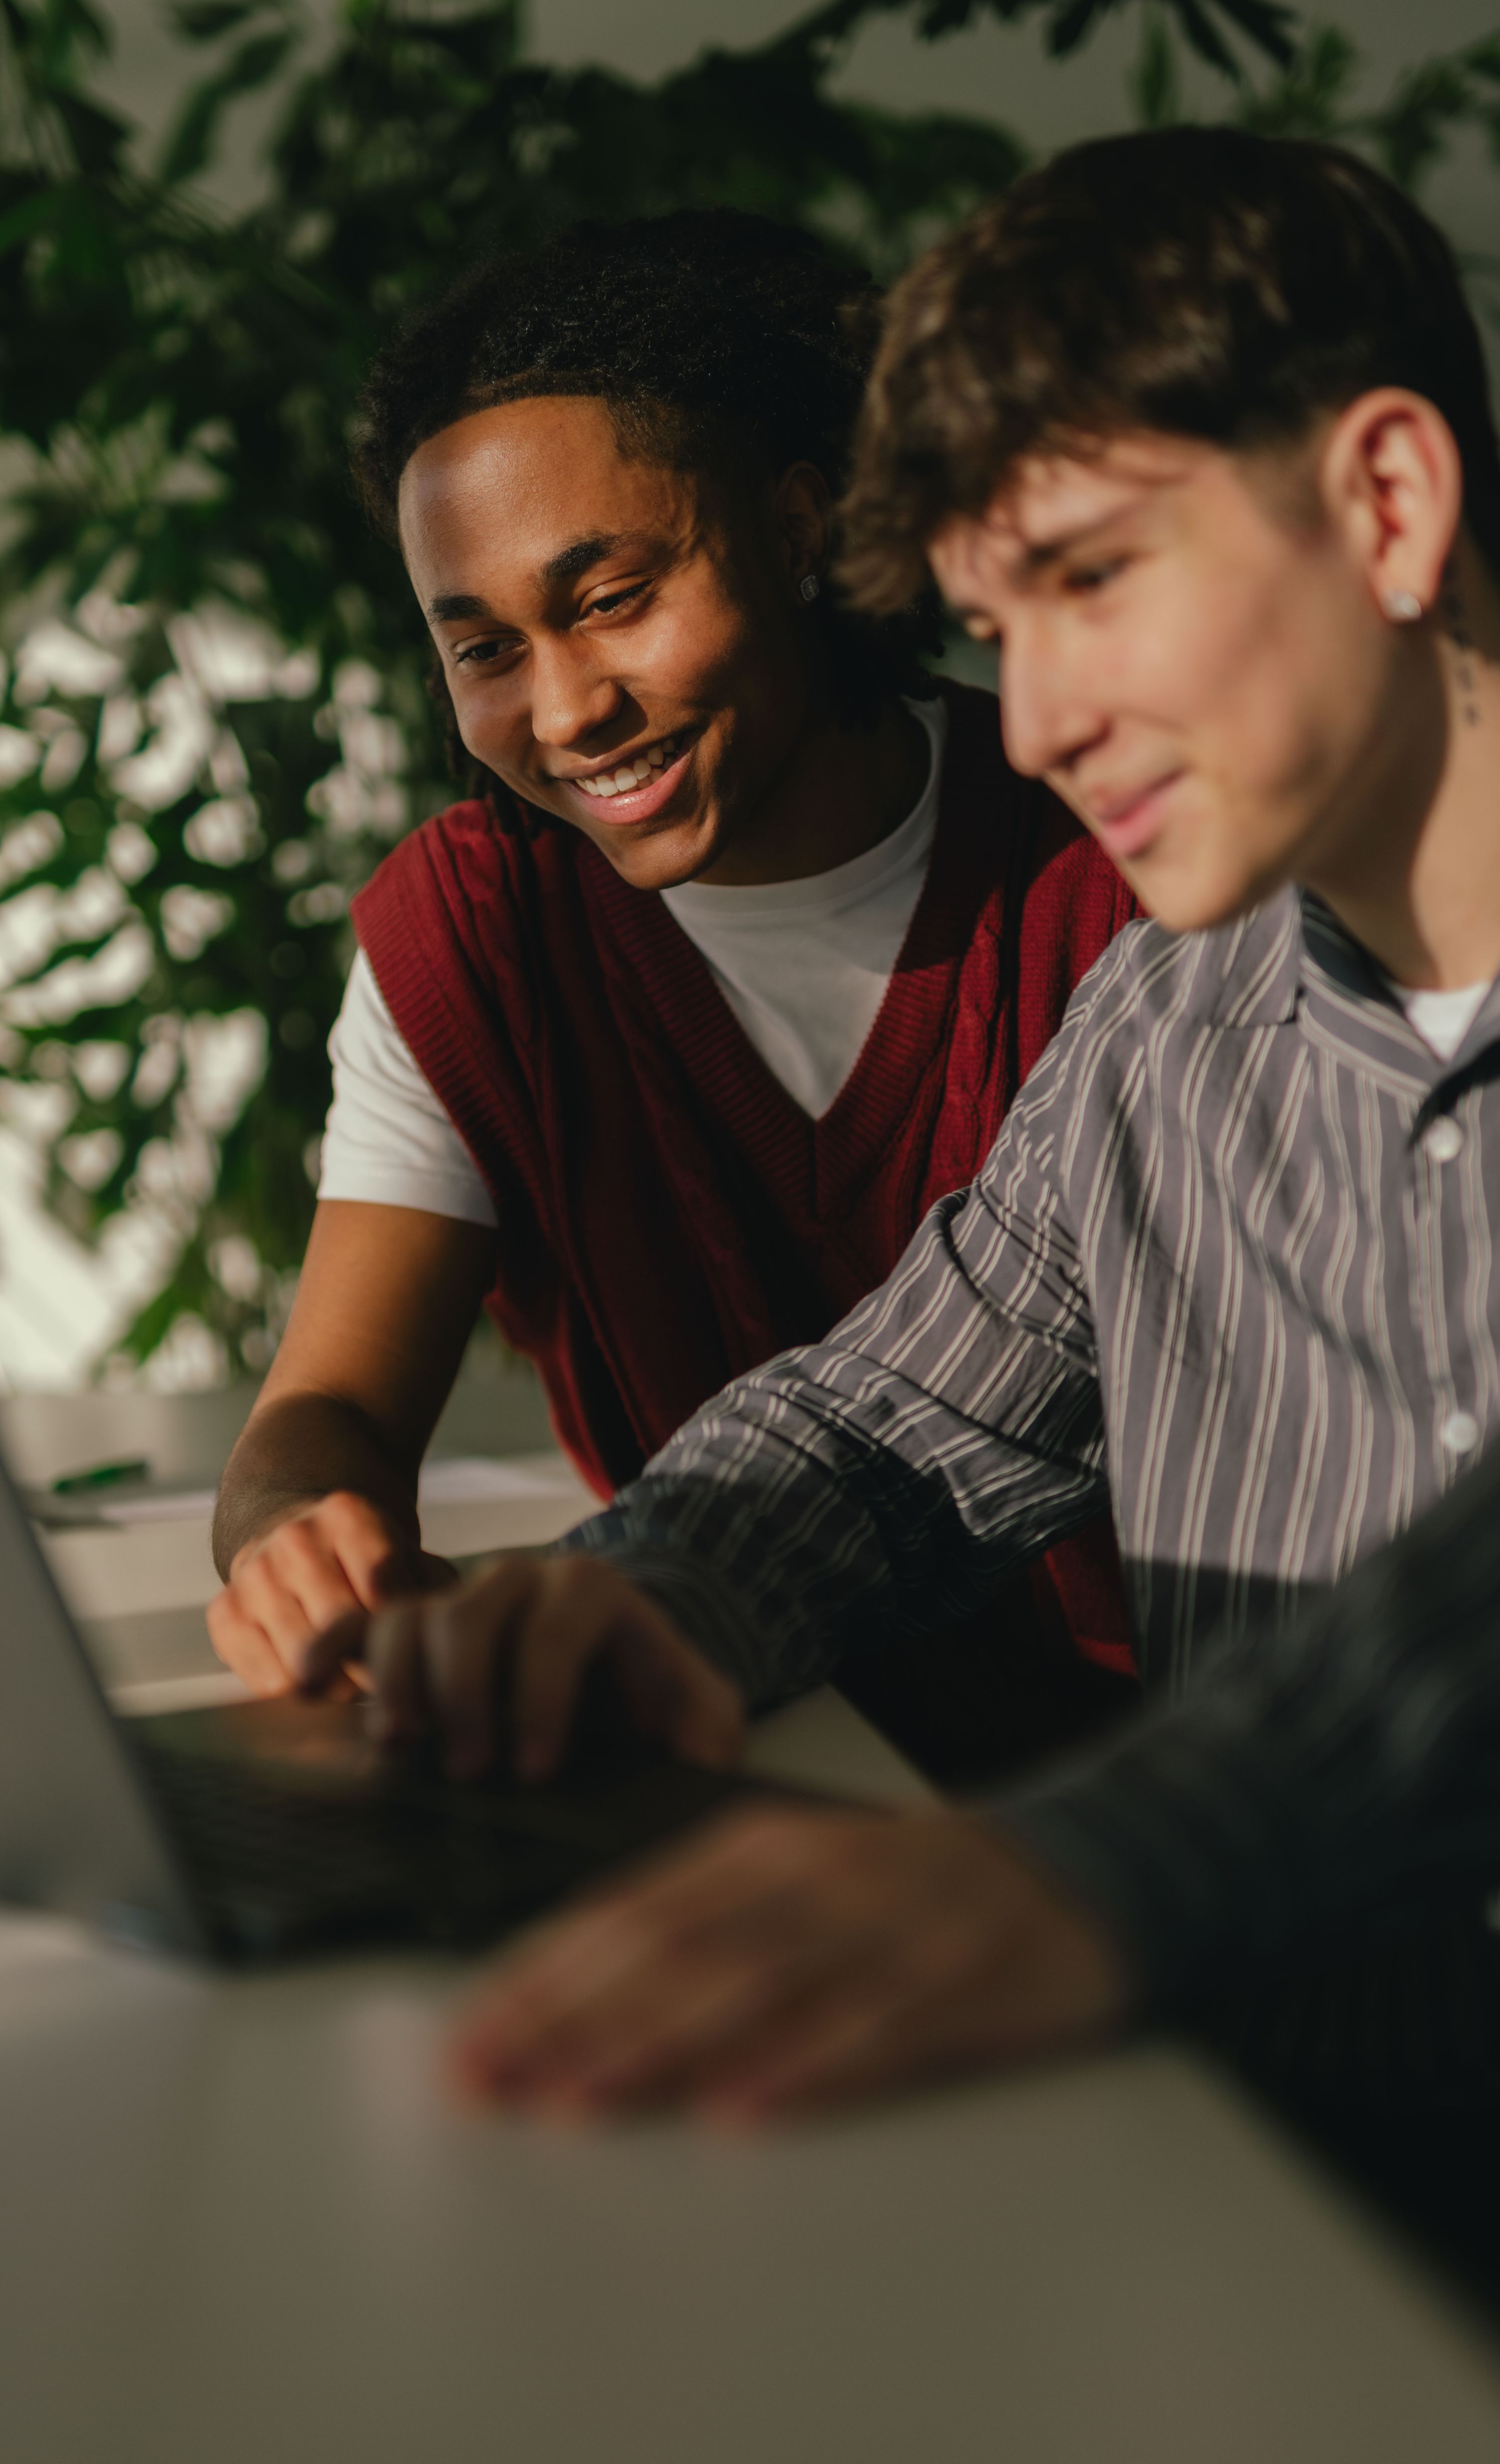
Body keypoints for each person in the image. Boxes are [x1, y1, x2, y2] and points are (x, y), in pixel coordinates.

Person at [299, 127, 1500, 2129]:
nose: (1031, 721)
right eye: (995, 620)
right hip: (1276, 2168)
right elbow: (882, 1426)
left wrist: (1092, 1858)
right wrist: (636, 1593)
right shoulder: (1174, 1009)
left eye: (1090, 581)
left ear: (1388, 500)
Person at [204, 210, 1138, 1761]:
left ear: (794, 526)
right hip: (740, 1748)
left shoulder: (1118, 855)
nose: (565, 708)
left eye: (614, 598)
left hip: (1156, 1795)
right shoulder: (482, 935)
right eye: (486, 647)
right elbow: (326, 1415)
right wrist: (296, 1534)